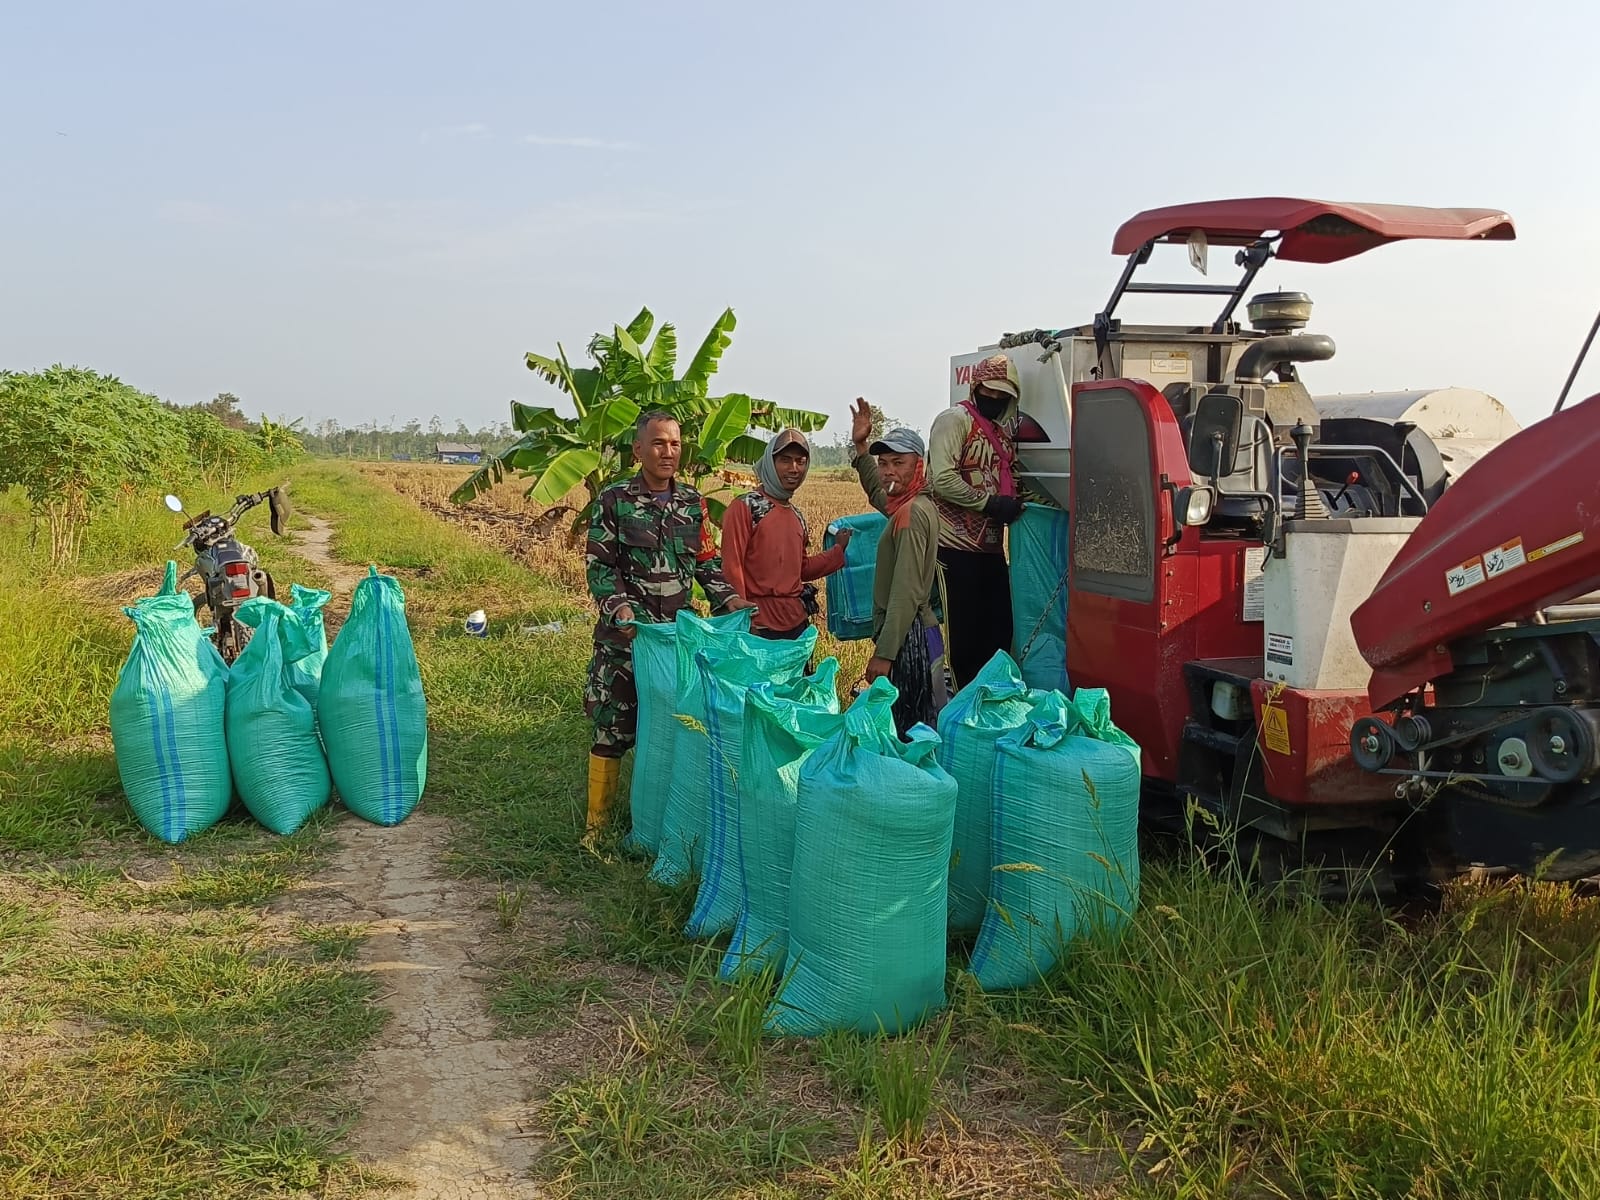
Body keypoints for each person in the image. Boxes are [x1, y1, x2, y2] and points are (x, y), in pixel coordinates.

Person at [583, 410, 754, 851]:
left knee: (671, 730)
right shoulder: (614, 499)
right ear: (638, 449)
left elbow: (705, 563)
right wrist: (620, 608)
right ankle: (596, 827)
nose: (668, 452)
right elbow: (600, 566)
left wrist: (728, 599)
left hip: (675, 643)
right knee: (614, 729)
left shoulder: (691, 503)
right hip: (627, 641)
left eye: (675, 444)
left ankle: (657, 824)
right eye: (658, 443)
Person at [927, 352, 1027, 688]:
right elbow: (942, 477)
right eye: (990, 391)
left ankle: (989, 708)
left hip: (990, 549)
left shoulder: (1001, 435)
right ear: (976, 387)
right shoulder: (955, 421)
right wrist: (990, 504)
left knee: (1000, 635)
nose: (994, 399)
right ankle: (962, 712)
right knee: (964, 641)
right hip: (954, 548)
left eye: (1003, 395)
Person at [849, 399, 945, 738]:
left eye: (898, 463)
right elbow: (879, 491)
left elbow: (905, 592)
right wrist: (861, 447)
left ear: (918, 467)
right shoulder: (910, 504)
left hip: (911, 638)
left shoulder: (912, 514)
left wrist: (885, 654)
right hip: (915, 632)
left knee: (909, 731)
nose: (889, 471)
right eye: (884, 462)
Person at [720, 428, 851, 640]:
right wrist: (744, 623)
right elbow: (732, 567)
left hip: (795, 622)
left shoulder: (796, 516)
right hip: (759, 625)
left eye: (800, 461)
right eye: (785, 460)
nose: (794, 468)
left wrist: (838, 550)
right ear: (771, 463)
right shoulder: (747, 507)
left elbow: (801, 570)